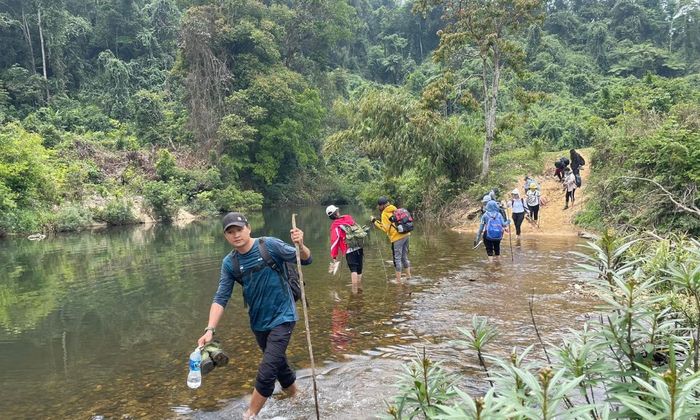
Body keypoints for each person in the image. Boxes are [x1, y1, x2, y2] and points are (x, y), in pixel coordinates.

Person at [196, 212, 312, 420]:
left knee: (267, 368)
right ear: (226, 237)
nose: (236, 235)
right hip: (258, 323)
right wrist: (210, 329)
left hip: (284, 316)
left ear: (248, 228)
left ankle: (250, 414)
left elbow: (306, 259)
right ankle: (297, 395)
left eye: (239, 230)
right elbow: (221, 297)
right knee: (278, 364)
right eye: (230, 232)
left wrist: (301, 245)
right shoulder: (230, 263)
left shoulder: (269, 245)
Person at [371, 196, 411, 282]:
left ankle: (398, 281)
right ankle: (408, 276)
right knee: (404, 257)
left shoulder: (384, 213)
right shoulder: (395, 209)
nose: (378, 207)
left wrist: (375, 221)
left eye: (379, 205)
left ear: (382, 205)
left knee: (397, 259)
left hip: (397, 238)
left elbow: (385, 228)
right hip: (406, 234)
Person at [326, 204, 364, 293]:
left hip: (349, 249)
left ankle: (355, 292)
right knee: (359, 268)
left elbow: (334, 241)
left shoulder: (335, 225)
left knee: (353, 269)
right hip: (359, 245)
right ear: (336, 213)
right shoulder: (348, 217)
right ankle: (360, 289)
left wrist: (334, 256)